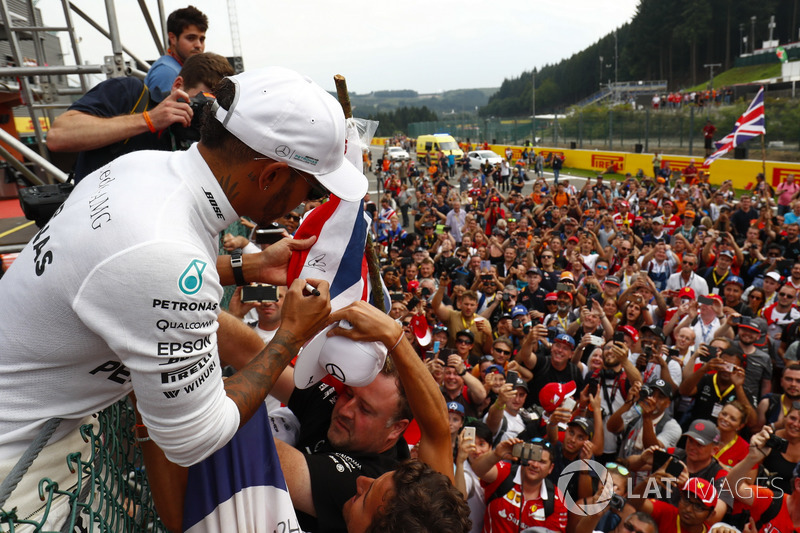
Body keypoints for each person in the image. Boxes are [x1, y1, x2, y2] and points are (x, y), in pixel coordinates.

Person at [0, 66, 365, 524]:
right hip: (17, 470)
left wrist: (252, 265)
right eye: (309, 189)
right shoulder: (166, 253)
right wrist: (290, 335)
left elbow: (134, 279)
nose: (304, 204)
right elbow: (195, 435)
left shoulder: (145, 168)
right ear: (271, 175)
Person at [47, 52, 234, 180]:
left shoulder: (194, 141)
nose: (204, 115)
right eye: (203, 102)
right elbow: (58, 136)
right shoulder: (131, 94)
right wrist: (149, 120)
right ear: (177, 85)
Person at [143, 5, 209, 102]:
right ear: (172, 38)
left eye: (202, 39)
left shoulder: (178, 67)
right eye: (191, 38)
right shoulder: (166, 72)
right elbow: (161, 115)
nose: (198, 45)